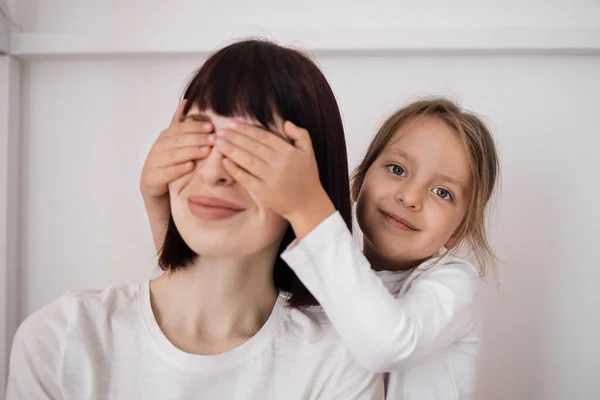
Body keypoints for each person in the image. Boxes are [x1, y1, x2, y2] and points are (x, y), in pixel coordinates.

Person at [6, 39, 384, 400]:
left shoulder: (336, 362)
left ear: (311, 182)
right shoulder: (61, 337)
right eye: (201, 135)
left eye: (253, 149)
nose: (214, 172)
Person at [155, 96, 500, 399]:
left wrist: (308, 207)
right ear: (359, 181)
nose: (409, 197)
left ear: (459, 232)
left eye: (443, 192)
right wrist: (156, 200)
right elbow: (208, 292)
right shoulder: (329, 274)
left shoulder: (454, 283)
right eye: (397, 169)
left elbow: (388, 345)